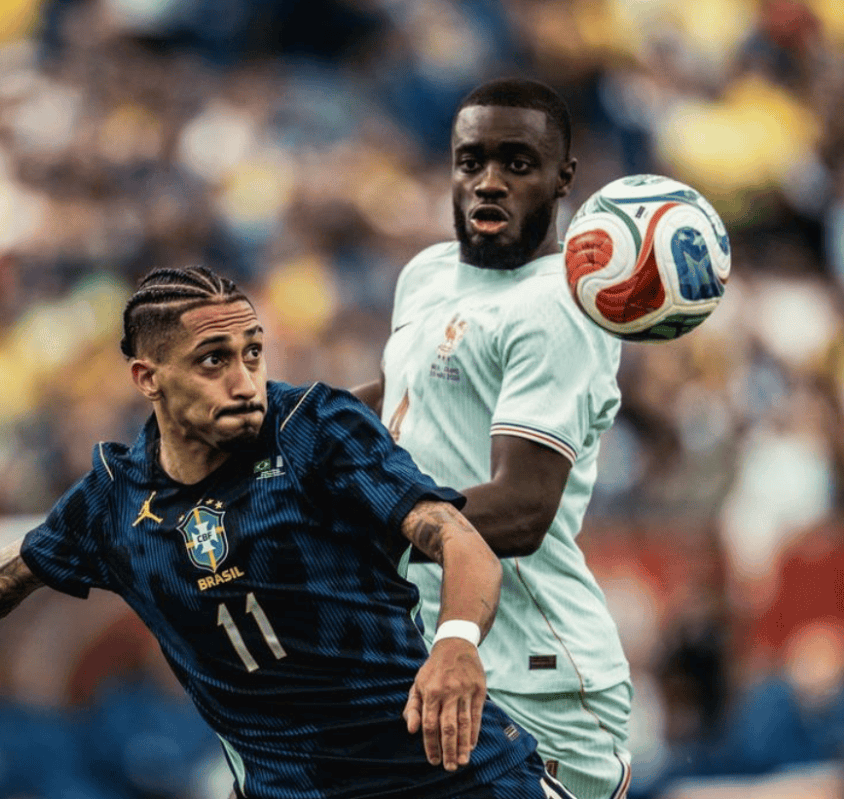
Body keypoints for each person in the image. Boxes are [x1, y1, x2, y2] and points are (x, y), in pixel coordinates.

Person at [0, 265, 576, 799]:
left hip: (455, 777)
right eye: (213, 359)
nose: (244, 379)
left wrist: (456, 642)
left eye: (252, 352)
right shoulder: (112, 501)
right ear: (146, 378)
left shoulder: (315, 428)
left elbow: (453, 534)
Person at [353, 78, 631, 799]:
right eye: (470, 161)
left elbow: (522, 509)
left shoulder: (559, 306)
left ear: (563, 177)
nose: (488, 181)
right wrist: (280, 431)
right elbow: (398, 395)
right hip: (437, 658)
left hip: (540, 682)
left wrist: (350, 521)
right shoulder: (426, 273)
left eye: (517, 163)